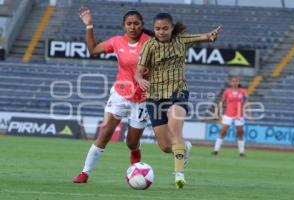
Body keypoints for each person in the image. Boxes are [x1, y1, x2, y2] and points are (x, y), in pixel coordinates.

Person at [135, 12, 220, 189]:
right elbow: (138, 70)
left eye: (165, 28)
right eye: (158, 28)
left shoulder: (181, 41)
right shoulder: (148, 46)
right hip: (155, 96)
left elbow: (203, 36)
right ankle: (185, 148)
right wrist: (140, 79)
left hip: (178, 92)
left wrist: (210, 36)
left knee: (175, 128)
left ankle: (179, 175)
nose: (161, 31)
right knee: (166, 146)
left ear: (172, 28)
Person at [73, 7, 152, 183]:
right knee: (105, 133)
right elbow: (93, 50)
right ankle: (85, 172)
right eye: (129, 24)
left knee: (131, 142)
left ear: (142, 25)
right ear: (124, 26)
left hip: (142, 99)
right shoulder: (117, 42)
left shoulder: (151, 43)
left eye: (136, 23)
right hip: (120, 95)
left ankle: (135, 152)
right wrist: (89, 25)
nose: (133, 27)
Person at [212, 76, 250, 157]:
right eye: (233, 81)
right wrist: (217, 111)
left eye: (236, 81)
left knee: (240, 133)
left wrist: (249, 111)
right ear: (230, 82)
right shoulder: (227, 91)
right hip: (228, 114)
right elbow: (222, 102)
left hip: (239, 115)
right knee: (223, 131)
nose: (234, 83)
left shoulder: (243, 91)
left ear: (238, 82)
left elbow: (246, 102)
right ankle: (216, 150)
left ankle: (241, 152)